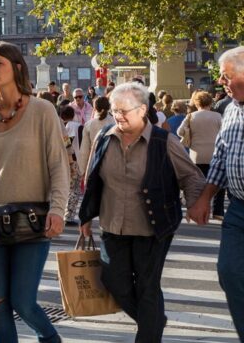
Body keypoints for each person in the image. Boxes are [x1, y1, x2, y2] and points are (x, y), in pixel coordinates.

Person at [79, 82, 205, 342]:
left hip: (153, 227)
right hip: (113, 225)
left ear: (143, 110)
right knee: (115, 283)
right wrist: (86, 216)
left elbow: (191, 176)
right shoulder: (104, 137)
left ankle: (148, 334)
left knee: (148, 288)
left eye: (124, 110)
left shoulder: (163, 142)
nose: (118, 116)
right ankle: (154, 321)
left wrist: (195, 203)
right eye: (115, 110)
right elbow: (93, 178)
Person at [0, 42, 69, 343]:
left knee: (22, 301)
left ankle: (50, 339)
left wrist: (58, 210)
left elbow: (58, 165)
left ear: (17, 68)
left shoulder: (42, 111)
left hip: (32, 220)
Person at [187, 46, 244, 340]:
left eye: (226, 76)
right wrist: (205, 198)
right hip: (238, 209)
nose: (221, 82)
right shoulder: (230, 109)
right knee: (230, 272)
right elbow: (221, 158)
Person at [177, 90, 224, 220]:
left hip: (196, 155)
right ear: (210, 102)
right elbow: (224, 133)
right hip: (215, 155)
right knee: (218, 184)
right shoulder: (217, 116)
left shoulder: (191, 116)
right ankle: (218, 211)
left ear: (196, 103)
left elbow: (179, 132)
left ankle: (196, 209)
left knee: (196, 185)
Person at [79, 96, 115, 167]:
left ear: (94, 108)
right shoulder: (115, 122)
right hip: (113, 161)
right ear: (109, 106)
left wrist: (82, 169)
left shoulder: (89, 125)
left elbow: (84, 150)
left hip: (95, 162)